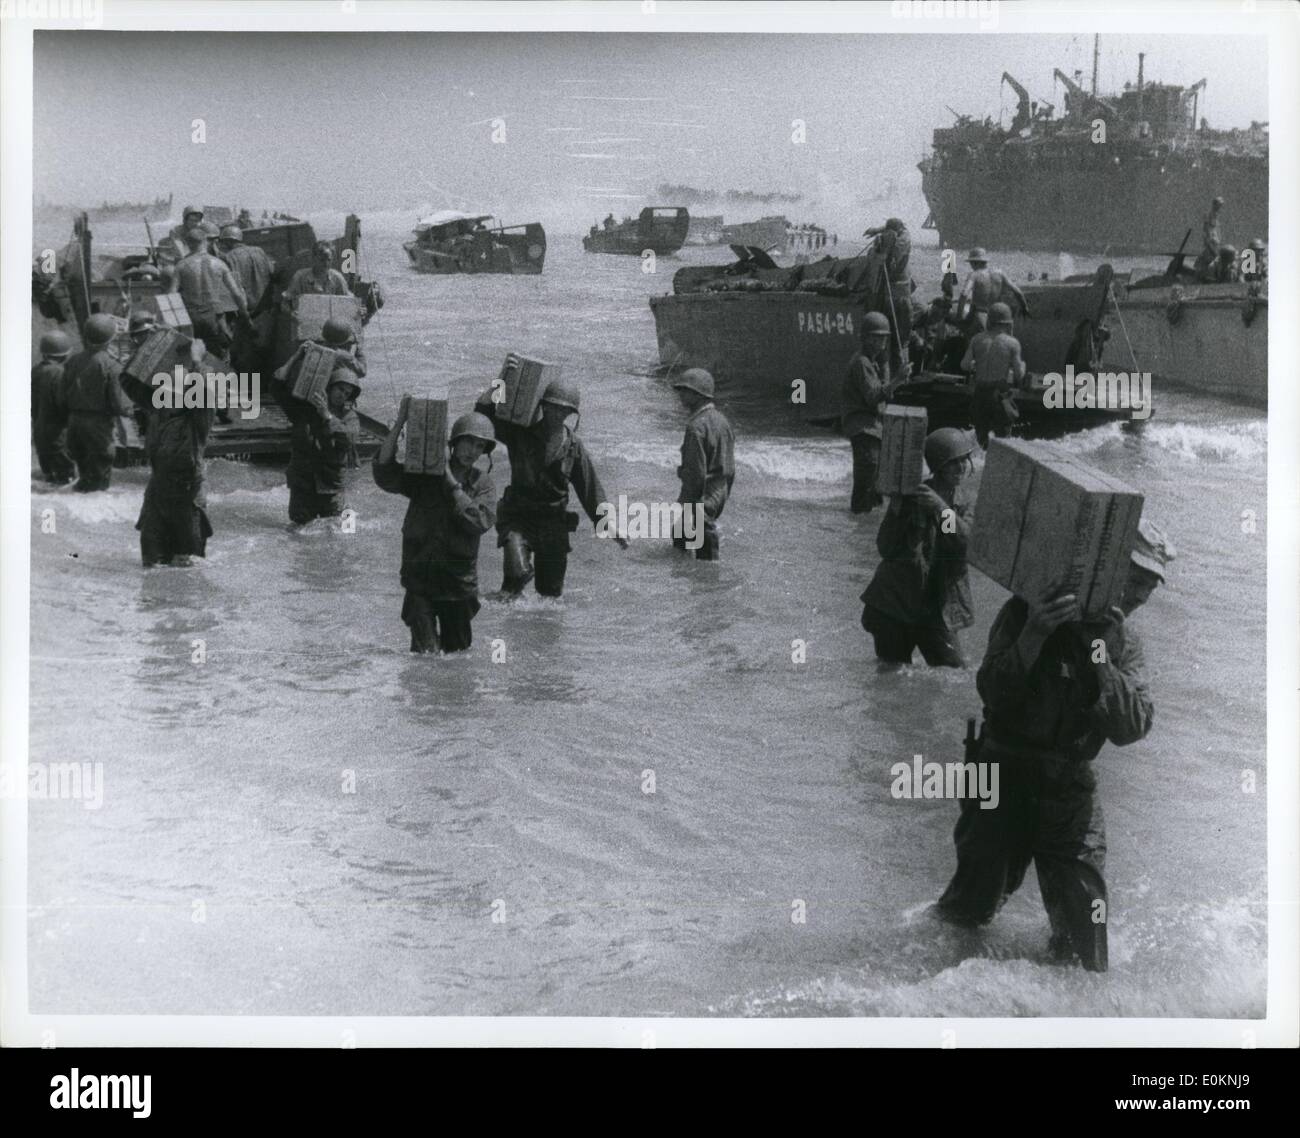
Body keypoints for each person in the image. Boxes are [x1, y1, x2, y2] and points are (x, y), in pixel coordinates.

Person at [933, 518, 1174, 972]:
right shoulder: (1027, 611)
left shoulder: (1123, 643)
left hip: (1067, 790)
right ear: (1107, 572)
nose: (1141, 595)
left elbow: (1132, 727)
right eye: (1135, 580)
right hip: (1001, 776)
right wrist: (1036, 634)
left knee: (1084, 938)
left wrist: (1102, 653)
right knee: (966, 912)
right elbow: (993, 691)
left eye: (1150, 587)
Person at [475, 378, 624, 598]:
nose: (557, 414)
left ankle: (543, 631)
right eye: (553, 407)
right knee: (515, 578)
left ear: (571, 414)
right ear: (543, 406)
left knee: (550, 597)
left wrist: (609, 525)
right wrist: (502, 381)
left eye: (564, 410)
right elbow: (484, 416)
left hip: (553, 525)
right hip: (518, 518)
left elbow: (590, 489)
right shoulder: (520, 433)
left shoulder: (573, 446)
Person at [373, 401, 497, 653]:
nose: (473, 451)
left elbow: (479, 522)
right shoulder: (425, 475)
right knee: (424, 658)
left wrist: (450, 482)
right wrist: (399, 425)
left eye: (479, 446)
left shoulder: (482, 484)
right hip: (420, 581)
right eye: (468, 442)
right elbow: (385, 474)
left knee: (456, 660)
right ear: (454, 442)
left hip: (457, 585)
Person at [859, 428, 975, 668]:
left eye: (964, 460)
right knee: (891, 676)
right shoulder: (911, 497)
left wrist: (941, 509)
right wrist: (897, 509)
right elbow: (886, 547)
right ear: (938, 466)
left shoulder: (965, 503)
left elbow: (968, 545)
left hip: (937, 606)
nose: (961, 467)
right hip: (894, 604)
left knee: (954, 672)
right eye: (953, 462)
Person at [117, 336, 216, 567]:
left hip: (187, 496)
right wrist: (149, 349)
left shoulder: (197, 420)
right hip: (157, 495)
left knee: (186, 565)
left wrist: (197, 361)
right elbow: (128, 380)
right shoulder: (157, 409)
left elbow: (206, 391)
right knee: (150, 562)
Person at [270, 347, 363, 526]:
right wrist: (297, 355)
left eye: (347, 393)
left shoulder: (349, 417)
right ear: (330, 386)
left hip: (331, 488)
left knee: (340, 532)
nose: (342, 395)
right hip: (302, 485)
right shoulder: (304, 410)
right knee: (299, 533)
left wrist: (327, 416)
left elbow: (349, 438)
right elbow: (276, 386)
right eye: (340, 389)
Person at [57, 314, 135, 492]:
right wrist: (135, 410)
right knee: (99, 482)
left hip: (74, 425)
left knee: (84, 477)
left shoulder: (72, 361)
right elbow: (119, 404)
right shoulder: (111, 366)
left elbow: (61, 398)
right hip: (98, 428)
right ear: (112, 338)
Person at [671, 368, 735, 561]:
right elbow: (730, 468)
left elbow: (696, 475)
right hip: (719, 490)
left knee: (705, 552)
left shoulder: (696, 427)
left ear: (697, 395)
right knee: (681, 535)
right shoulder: (723, 421)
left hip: (702, 495)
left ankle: (708, 580)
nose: (680, 395)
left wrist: (690, 503)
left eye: (684, 390)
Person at [840, 311, 894, 514]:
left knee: (873, 484)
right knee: (866, 485)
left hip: (871, 429)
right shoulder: (862, 362)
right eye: (877, 338)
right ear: (866, 338)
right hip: (863, 429)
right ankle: (860, 522)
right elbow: (873, 396)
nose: (882, 342)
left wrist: (887, 365)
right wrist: (897, 380)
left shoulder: (872, 362)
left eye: (884, 338)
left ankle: (864, 527)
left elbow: (884, 394)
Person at [169, 227, 248, 361]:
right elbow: (237, 293)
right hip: (214, 317)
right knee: (219, 356)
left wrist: (173, 324)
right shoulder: (219, 263)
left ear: (187, 244)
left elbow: (171, 295)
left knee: (193, 355)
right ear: (205, 241)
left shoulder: (181, 266)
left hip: (191, 316)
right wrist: (244, 314)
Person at [961, 301, 1025, 449]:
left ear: (989, 320)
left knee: (980, 439)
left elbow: (964, 365)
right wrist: (1023, 365)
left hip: (980, 392)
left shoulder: (977, 339)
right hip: (999, 394)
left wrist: (977, 364)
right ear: (1008, 323)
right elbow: (1018, 375)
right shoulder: (1012, 343)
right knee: (1004, 440)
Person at [216, 224, 274, 374]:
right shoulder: (260, 252)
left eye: (222, 242)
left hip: (245, 313)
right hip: (265, 310)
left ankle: (247, 389)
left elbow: (234, 290)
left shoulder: (229, 258)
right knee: (262, 351)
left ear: (228, 241)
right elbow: (272, 273)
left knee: (242, 354)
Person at [865, 218, 913, 374]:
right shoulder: (901, 236)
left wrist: (883, 239)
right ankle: (894, 374)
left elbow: (892, 259)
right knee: (895, 339)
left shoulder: (902, 239)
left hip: (895, 297)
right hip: (894, 296)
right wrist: (879, 231)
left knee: (899, 339)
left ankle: (899, 373)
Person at [31, 329, 75, 484]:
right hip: (58, 435)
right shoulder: (59, 373)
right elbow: (63, 404)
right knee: (66, 480)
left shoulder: (35, 371)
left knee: (48, 477)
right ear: (64, 354)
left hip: (39, 433)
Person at [955, 248, 1030, 334]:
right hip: (998, 313)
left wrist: (959, 316)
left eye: (971, 263)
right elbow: (1018, 292)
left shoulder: (974, 275)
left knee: (970, 338)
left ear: (975, 262)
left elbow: (964, 294)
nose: (971, 266)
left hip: (980, 313)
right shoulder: (1000, 273)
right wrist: (1024, 307)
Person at [282, 242, 351, 308]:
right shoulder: (300, 277)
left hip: (332, 320)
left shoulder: (337, 278)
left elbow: (349, 302)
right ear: (313, 258)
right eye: (322, 260)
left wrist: (358, 310)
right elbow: (286, 303)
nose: (326, 264)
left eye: (329, 260)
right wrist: (292, 314)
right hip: (305, 319)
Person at [1193, 196, 1224, 277]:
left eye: (1221, 205)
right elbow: (1207, 231)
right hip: (1210, 242)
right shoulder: (1209, 215)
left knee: (1213, 259)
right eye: (1219, 205)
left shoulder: (1216, 216)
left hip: (1215, 242)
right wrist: (1209, 243)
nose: (1220, 207)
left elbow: (1217, 230)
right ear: (1214, 204)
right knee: (1208, 259)